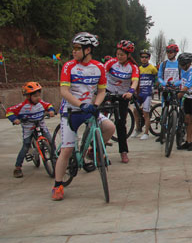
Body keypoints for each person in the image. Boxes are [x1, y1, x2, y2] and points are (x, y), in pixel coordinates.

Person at [53, 32, 116, 201]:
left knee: (110, 127)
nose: (73, 51)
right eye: (73, 48)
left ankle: (91, 151)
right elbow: (64, 91)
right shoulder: (69, 66)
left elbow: (102, 90)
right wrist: (81, 104)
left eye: (77, 48)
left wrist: (95, 105)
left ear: (88, 50)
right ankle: (57, 185)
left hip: (90, 109)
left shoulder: (99, 67)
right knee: (66, 150)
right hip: (71, 112)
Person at [7, 82, 55, 178]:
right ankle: (17, 168)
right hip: (28, 127)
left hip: (41, 125)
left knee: (50, 141)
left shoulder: (41, 103)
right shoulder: (22, 106)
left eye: (39, 95)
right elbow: (9, 111)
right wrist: (15, 119)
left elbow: (49, 105)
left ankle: (55, 160)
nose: (38, 98)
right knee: (26, 146)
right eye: (35, 96)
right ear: (28, 96)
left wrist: (51, 111)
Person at [105, 40, 140, 163]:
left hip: (123, 96)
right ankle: (97, 149)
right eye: (118, 54)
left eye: (122, 55)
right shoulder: (111, 63)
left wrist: (131, 91)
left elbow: (135, 80)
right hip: (108, 93)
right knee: (100, 121)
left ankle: (123, 152)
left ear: (128, 55)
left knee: (121, 125)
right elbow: (101, 74)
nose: (119, 57)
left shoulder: (133, 67)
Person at [157, 43, 182, 143]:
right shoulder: (163, 64)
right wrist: (163, 83)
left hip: (176, 90)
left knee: (179, 111)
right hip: (166, 90)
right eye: (167, 52)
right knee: (164, 112)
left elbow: (182, 78)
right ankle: (163, 133)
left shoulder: (179, 64)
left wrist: (176, 84)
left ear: (175, 53)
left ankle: (180, 132)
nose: (168, 54)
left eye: (171, 52)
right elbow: (159, 77)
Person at [135, 49, 158, 140]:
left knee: (146, 113)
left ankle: (146, 133)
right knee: (135, 111)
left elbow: (156, 77)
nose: (144, 59)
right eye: (142, 57)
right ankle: (137, 129)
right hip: (140, 93)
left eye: (146, 57)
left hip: (147, 93)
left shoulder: (152, 68)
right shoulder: (139, 69)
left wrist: (155, 87)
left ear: (149, 58)